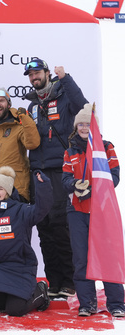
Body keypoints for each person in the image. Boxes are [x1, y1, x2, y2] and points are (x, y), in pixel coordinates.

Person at [23, 59, 87, 298]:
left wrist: (66, 78)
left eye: (37, 73)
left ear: (48, 73)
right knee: (44, 227)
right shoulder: (31, 106)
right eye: (30, 75)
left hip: (60, 170)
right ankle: (53, 281)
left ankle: (69, 282)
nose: (34, 77)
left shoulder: (64, 96)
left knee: (61, 225)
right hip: (37, 172)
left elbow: (83, 106)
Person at [62, 104, 125, 317]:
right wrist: (75, 186)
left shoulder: (106, 148)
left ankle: (116, 303)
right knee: (81, 259)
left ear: (94, 126)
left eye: (88, 124)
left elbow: (113, 177)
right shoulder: (70, 151)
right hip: (77, 211)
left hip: (102, 211)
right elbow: (65, 179)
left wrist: (91, 190)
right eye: (80, 124)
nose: (83, 127)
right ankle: (87, 304)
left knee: (107, 256)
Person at [0, 166, 52, 316]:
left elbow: (42, 209)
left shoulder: (21, 210)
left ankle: (40, 290)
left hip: (20, 268)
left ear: (8, 191)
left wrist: (42, 186)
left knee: (16, 310)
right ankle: (2, 301)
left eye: (0, 189)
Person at [0, 88, 40, 203]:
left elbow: (33, 143)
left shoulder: (18, 125)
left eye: (2, 101)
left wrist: (26, 120)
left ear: (8, 104)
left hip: (14, 192)